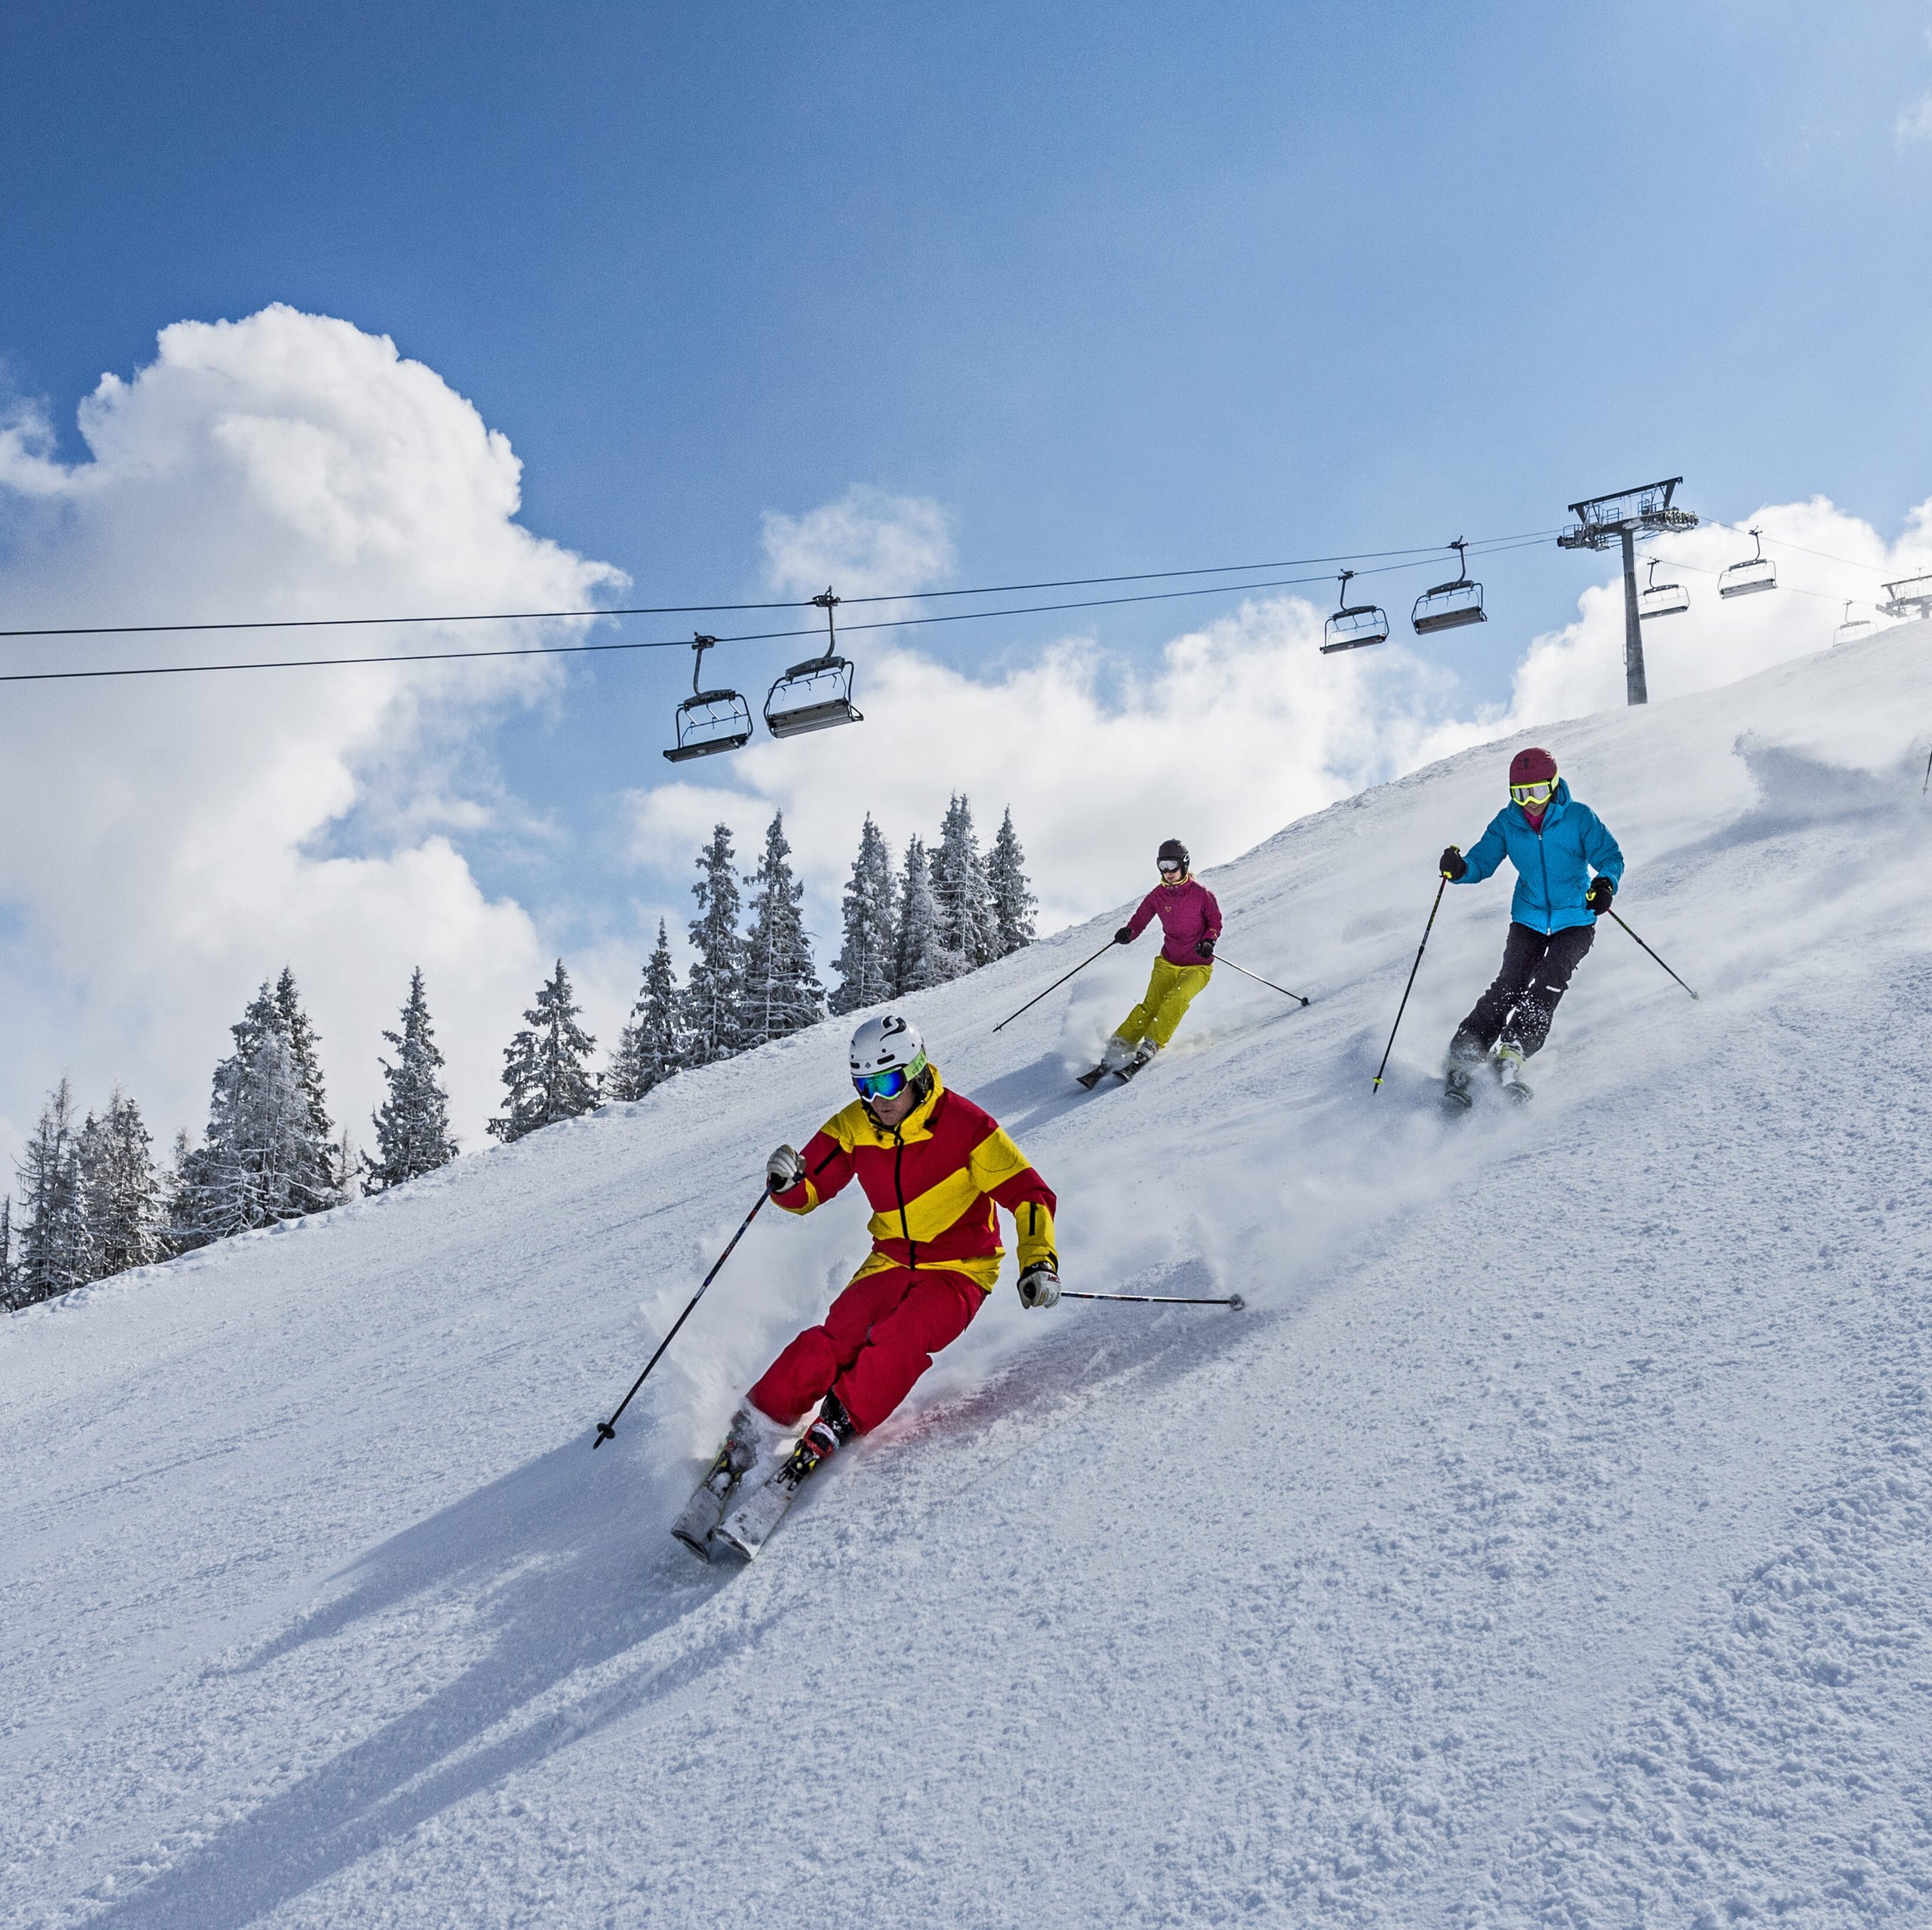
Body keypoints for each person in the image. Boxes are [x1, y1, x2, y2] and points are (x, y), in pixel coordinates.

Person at [678, 1012, 1060, 1560]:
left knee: (900, 1339)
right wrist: (785, 1181)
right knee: (830, 1340)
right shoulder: (855, 1126)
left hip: (961, 1268)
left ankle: (839, 1419)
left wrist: (1038, 1259)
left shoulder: (969, 1128)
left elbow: (1030, 1195)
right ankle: (755, 1427)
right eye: (863, 1086)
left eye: (885, 1083)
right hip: (889, 1260)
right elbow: (809, 1192)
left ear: (918, 1072)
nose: (876, 1099)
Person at [1438, 747, 1623, 1105]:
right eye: (1520, 794)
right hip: (1529, 918)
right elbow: (1481, 862)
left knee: (1550, 981)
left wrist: (1605, 884)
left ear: (1553, 786)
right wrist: (1460, 869)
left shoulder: (1579, 818)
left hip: (1576, 920)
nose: (1530, 802)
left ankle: (1514, 1049)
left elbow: (1610, 858)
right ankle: (1467, 1049)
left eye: (1537, 791)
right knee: (1511, 982)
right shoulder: (1508, 823)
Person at [1089, 838, 1223, 1082]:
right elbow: (1141, 919)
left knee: (1177, 999)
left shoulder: (1202, 895)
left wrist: (1209, 941)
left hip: (1198, 966)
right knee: (1150, 1005)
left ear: (1184, 864)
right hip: (1168, 961)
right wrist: (1129, 932)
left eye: (1172, 865)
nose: (1168, 872)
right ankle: (1119, 1044)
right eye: (1163, 866)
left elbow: (1215, 923)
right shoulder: (1158, 896)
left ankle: (1151, 1043)